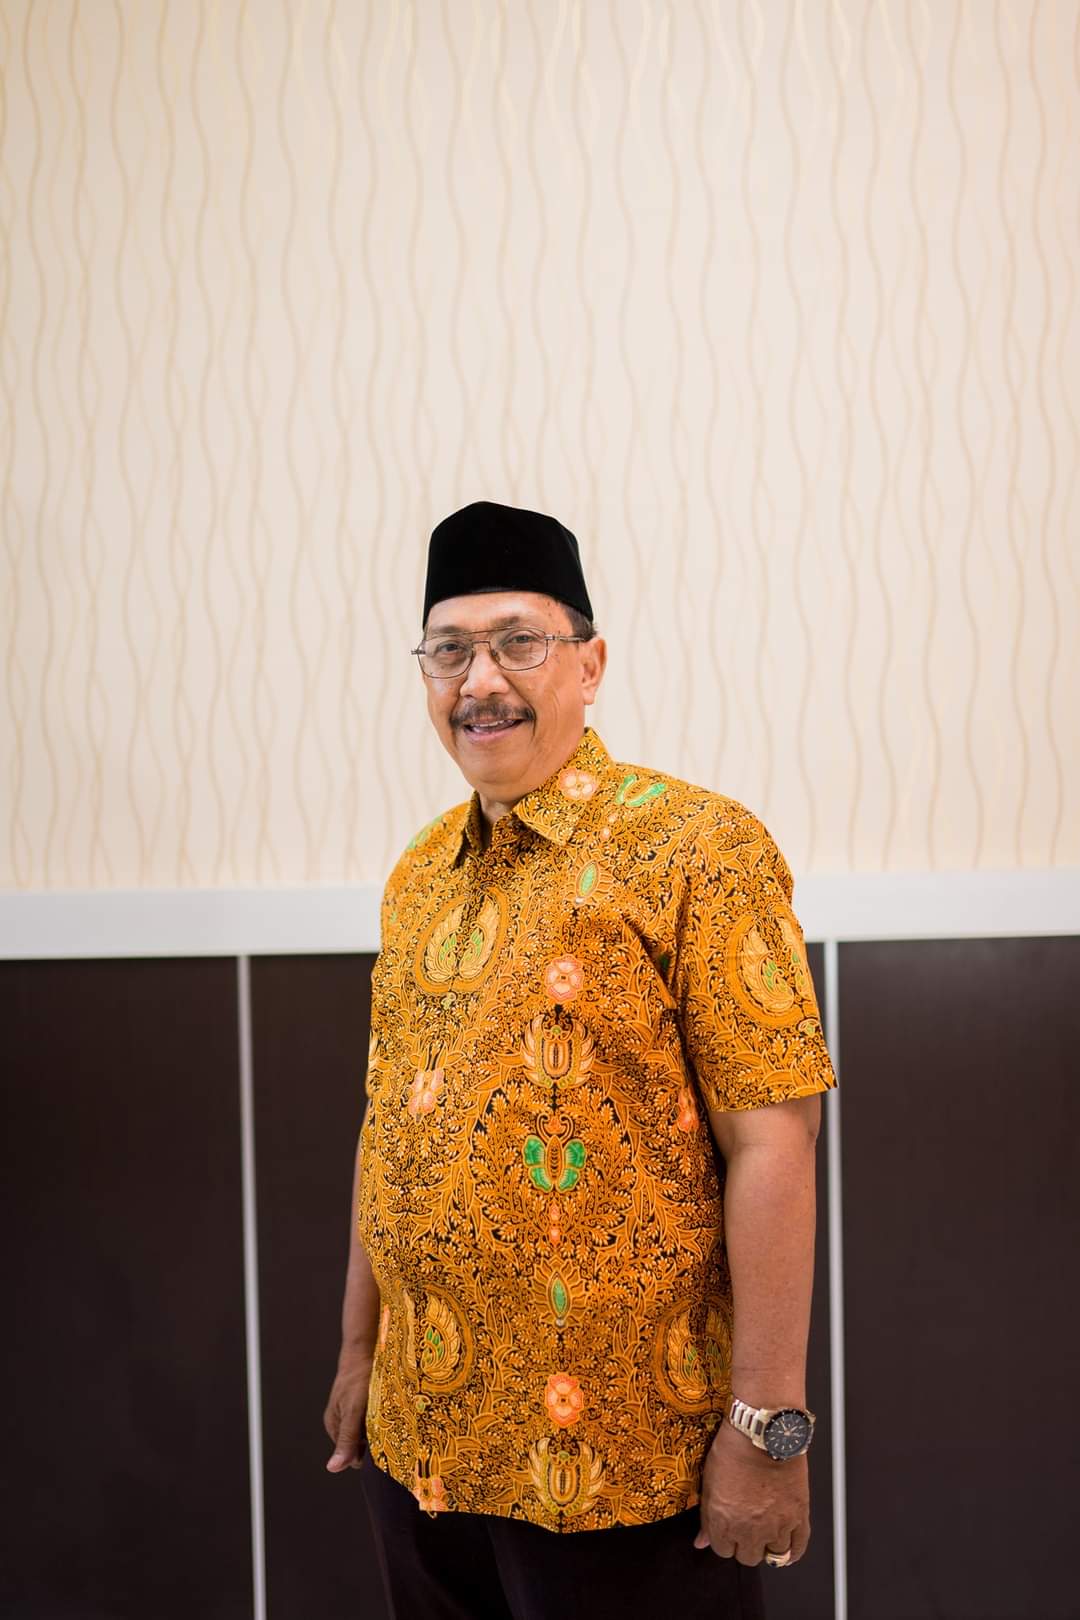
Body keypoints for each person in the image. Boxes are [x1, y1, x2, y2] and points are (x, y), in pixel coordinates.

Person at [324, 500, 836, 1620]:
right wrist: (361, 1348)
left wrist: (766, 1429)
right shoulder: (419, 873)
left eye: (519, 641)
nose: (481, 681)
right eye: (448, 651)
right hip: (423, 1441)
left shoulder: (698, 848)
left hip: (623, 1460)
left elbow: (775, 1142)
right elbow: (388, 1119)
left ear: (590, 665)